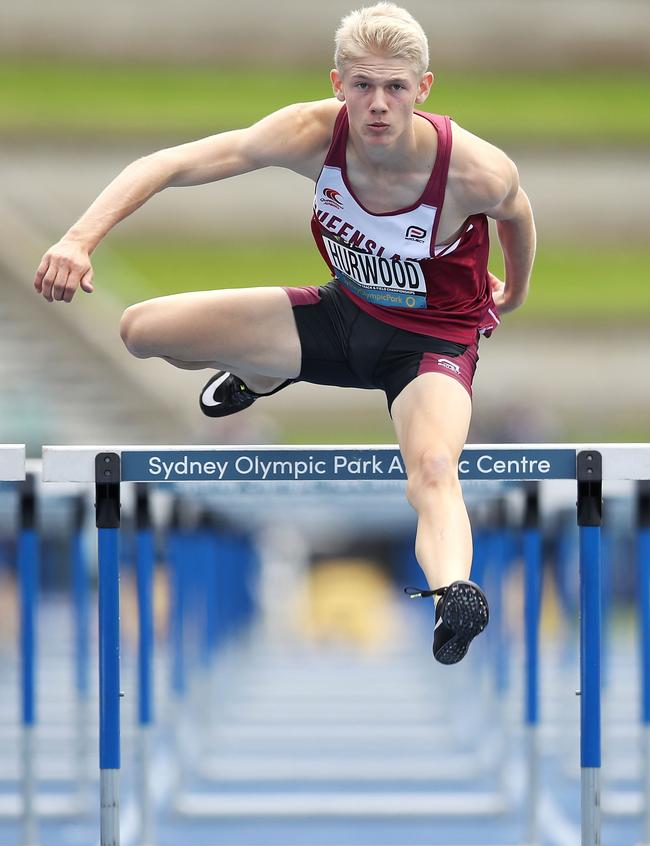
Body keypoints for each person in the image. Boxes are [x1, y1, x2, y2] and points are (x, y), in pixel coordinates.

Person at [34, 2, 535, 664]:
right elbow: (169, 163)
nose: (378, 105)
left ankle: (453, 592)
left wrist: (515, 292)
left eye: (395, 87)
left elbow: (518, 217)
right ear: (337, 86)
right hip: (338, 318)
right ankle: (263, 372)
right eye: (362, 86)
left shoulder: (474, 169)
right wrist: (78, 238)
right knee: (140, 329)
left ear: (424, 88)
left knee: (435, 467)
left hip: (431, 346)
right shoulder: (306, 133)